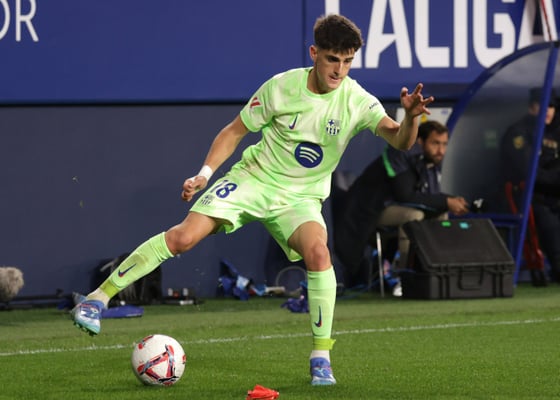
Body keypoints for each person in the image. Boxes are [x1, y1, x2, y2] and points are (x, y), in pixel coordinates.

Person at [71, 14, 434, 386]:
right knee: (182, 238)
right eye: (332, 59)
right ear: (314, 54)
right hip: (253, 180)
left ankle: (321, 359)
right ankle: (96, 299)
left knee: (318, 253)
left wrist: (410, 119)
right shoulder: (281, 87)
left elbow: (400, 140)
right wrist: (205, 173)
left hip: (300, 199)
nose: (339, 69)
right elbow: (234, 132)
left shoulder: (356, 100)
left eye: (347, 61)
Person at [334, 120, 469, 286]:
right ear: (420, 141)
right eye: (435, 143)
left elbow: (429, 197)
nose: (440, 150)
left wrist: (449, 201)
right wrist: (446, 201)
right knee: (414, 216)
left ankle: (437, 272)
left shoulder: (430, 162)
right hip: (368, 212)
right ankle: (404, 278)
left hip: (393, 207)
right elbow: (405, 195)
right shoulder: (400, 153)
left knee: (441, 213)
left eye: (444, 144)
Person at [500, 87, 560, 283]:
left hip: (553, 194)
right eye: (543, 105)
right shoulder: (519, 132)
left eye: (551, 106)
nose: (548, 110)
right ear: (532, 107)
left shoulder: (555, 131)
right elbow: (528, 171)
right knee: (549, 226)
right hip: (530, 197)